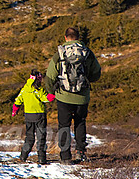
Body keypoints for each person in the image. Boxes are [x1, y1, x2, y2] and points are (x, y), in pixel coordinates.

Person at [44, 26, 101, 164]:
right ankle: (80, 152)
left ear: (65, 37)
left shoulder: (60, 52)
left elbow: (50, 75)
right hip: (82, 96)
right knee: (80, 122)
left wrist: (51, 91)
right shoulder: (87, 52)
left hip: (63, 95)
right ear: (78, 37)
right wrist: (86, 81)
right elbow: (96, 73)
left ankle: (65, 156)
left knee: (64, 125)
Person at [12, 69, 49, 165]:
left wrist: (15, 110)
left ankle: (23, 156)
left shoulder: (24, 89)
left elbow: (18, 100)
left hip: (28, 116)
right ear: (38, 79)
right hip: (40, 116)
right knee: (41, 138)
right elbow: (46, 99)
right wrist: (53, 95)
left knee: (29, 137)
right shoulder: (38, 90)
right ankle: (42, 159)